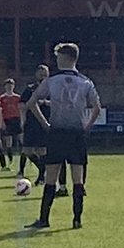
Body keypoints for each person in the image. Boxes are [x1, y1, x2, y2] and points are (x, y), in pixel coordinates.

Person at [26, 43, 100, 231]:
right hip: (77, 133)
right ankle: (76, 219)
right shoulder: (85, 82)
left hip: (57, 132)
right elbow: (96, 107)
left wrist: (45, 124)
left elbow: (32, 103)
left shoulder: (52, 81)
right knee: (78, 179)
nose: (56, 59)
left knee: (51, 176)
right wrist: (87, 127)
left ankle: (44, 219)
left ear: (65, 58)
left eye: (58, 56)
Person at [19, 64, 49, 184]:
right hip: (31, 123)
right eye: (40, 73)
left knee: (42, 150)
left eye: (44, 73)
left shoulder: (51, 89)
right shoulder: (30, 89)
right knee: (27, 151)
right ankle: (43, 169)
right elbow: (21, 105)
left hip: (44, 123)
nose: (42, 75)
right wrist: (31, 105)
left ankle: (41, 177)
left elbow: (57, 103)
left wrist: (45, 102)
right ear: (36, 74)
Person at [0, 78, 22, 170]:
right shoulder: (2, 98)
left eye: (11, 85)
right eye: (8, 85)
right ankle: (10, 159)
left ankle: (23, 156)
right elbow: (0, 111)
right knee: (8, 141)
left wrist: (22, 120)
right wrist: (2, 122)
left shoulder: (17, 97)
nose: (9, 87)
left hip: (16, 119)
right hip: (7, 120)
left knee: (21, 138)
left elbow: (20, 109)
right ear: (5, 87)